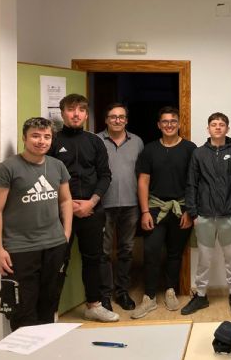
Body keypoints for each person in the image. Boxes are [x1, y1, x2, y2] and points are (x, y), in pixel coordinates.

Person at [0, 118, 72, 331]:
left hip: (54, 246)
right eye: (35, 135)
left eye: (47, 136)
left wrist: (66, 234)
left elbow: (65, 200)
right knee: (22, 311)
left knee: (49, 305)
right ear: (24, 138)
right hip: (19, 250)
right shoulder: (7, 168)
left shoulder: (57, 166)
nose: (41, 141)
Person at [48, 94, 118, 322]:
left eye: (80, 109)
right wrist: (65, 205)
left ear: (87, 114)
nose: (76, 113)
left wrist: (91, 202)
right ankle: (52, 311)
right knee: (57, 260)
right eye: (71, 109)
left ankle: (93, 305)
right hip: (59, 213)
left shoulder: (95, 141)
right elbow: (46, 176)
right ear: (63, 113)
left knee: (94, 259)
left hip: (91, 210)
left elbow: (105, 175)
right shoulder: (53, 141)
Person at [181, 112, 231, 315]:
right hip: (204, 216)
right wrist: (193, 213)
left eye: (222, 124)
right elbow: (191, 184)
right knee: (204, 259)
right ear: (208, 128)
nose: (218, 127)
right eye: (214, 124)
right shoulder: (199, 154)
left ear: (227, 129)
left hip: (230, 217)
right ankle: (201, 295)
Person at [132, 106, 196, 319]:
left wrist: (190, 211)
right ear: (159, 125)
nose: (169, 125)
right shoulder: (149, 150)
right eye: (165, 121)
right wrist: (144, 212)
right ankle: (149, 297)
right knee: (151, 251)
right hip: (155, 208)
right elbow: (143, 181)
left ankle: (170, 290)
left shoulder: (190, 149)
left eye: (173, 121)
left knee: (175, 253)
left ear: (178, 124)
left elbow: (193, 182)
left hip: (181, 208)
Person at [97, 103, 144, 312]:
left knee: (126, 250)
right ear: (106, 120)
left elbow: (143, 175)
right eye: (113, 116)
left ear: (126, 120)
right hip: (103, 205)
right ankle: (104, 295)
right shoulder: (95, 140)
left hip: (130, 204)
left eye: (121, 117)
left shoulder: (137, 142)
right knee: (104, 252)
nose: (117, 120)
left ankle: (122, 292)